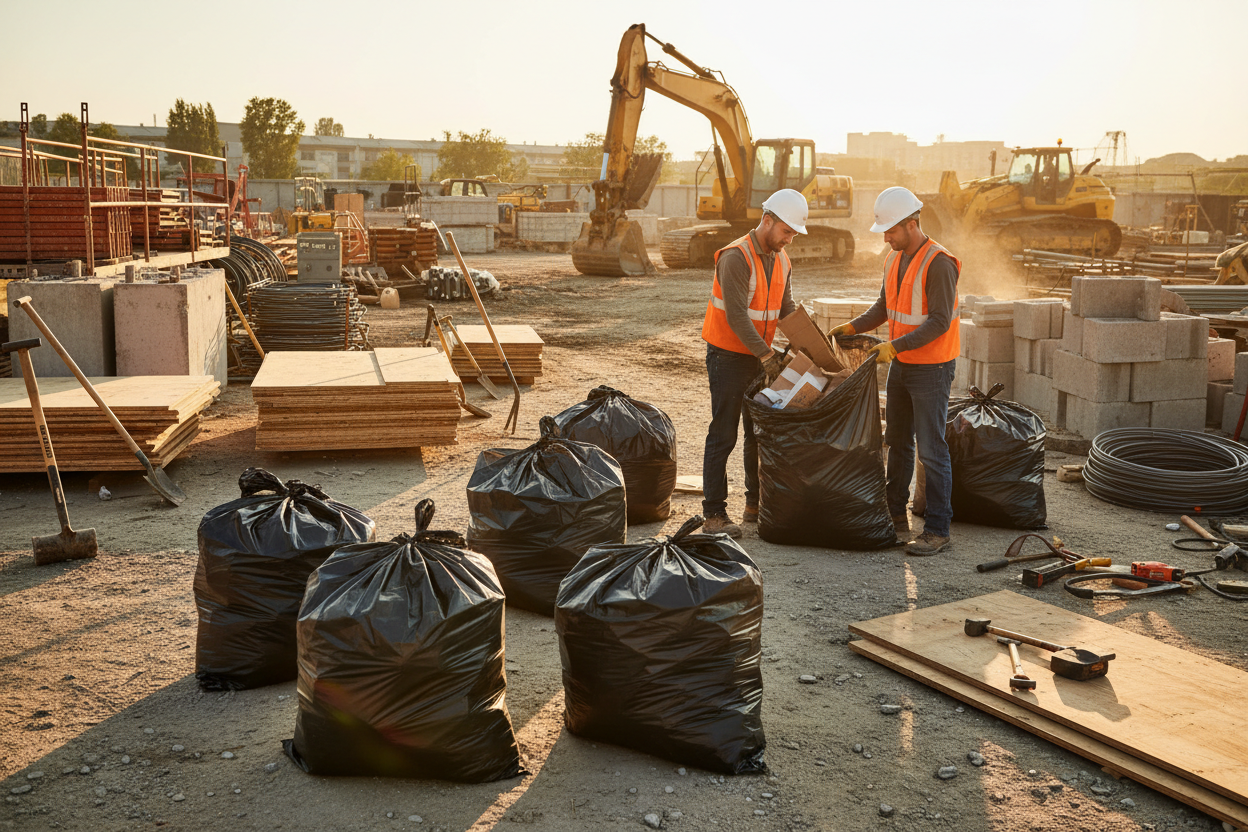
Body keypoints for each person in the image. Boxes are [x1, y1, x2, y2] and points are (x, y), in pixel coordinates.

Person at [831, 186, 961, 556]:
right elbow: (885, 306)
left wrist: (895, 347)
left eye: (890, 230)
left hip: (931, 369)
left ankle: (938, 530)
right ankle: (894, 517)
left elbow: (938, 321)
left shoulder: (940, 263)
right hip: (902, 366)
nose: (885, 237)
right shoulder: (894, 258)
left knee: (932, 449)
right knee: (897, 442)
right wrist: (853, 327)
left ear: (911, 223)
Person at [699, 189, 808, 538]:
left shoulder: (783, 259)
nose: (789, 239)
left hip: (758, 356)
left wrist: (812, 344)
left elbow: (786, 309)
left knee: (757, 434)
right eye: (786, 232)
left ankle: (753, 505)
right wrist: (767, 355)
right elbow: (736, 316)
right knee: (723, 434)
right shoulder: (736, 257)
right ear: (768, 220)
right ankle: (714, 514)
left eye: (793, 234)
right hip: (729, 357)